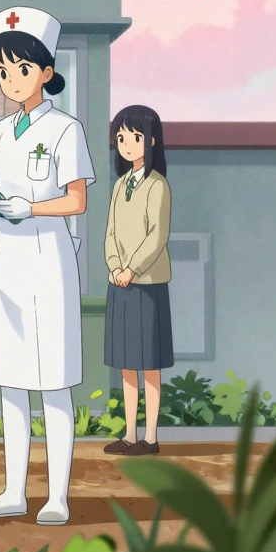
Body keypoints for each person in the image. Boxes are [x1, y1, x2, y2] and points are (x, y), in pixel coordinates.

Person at [0, 6, 94, 527]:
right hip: (5, 261)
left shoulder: (66, 128)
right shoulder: (2, 133)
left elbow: (77, 201)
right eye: (2, 72)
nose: (10, 80)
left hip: (48, 260)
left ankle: (56, 496)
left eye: (21, 69)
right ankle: (12, 490)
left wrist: (32, 207)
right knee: (10, 380)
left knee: (53, 382)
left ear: (47, 71)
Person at [103, 105, 173, 457]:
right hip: (120, 284)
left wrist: (131, 269)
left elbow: (157, 236)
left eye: (135, 137)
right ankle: (129, 434)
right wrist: (115, 267)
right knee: (126, 363)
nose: (127, 144)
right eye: (120, 138)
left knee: (150, 364)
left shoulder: (157, 185)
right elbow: (111, 232)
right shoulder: (119, 185)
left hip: (147, 284)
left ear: (152, 141)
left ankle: (151, 436)